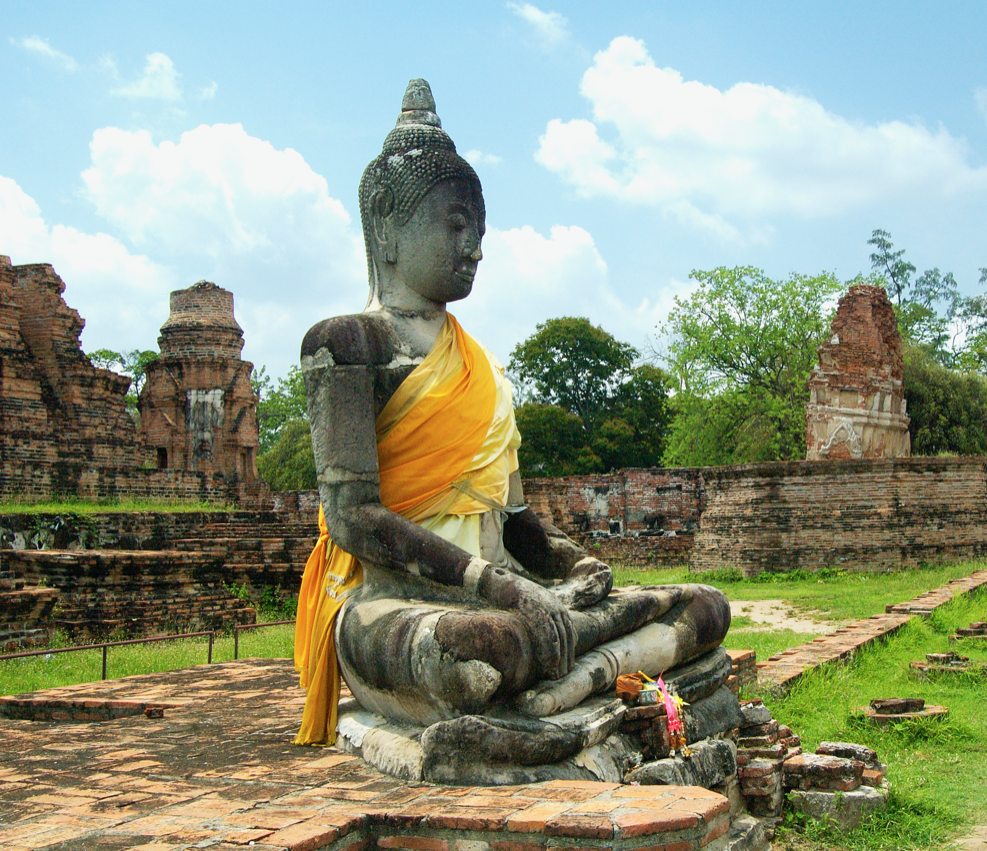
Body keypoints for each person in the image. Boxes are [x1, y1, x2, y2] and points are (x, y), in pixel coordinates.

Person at [293, 80, 729, 748]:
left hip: (518, 598)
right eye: (456, 224)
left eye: (480, 231)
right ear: (386, 223)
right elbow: (355, 519)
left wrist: (573, 564)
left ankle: (574, 685)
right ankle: (587, 676)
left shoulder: (484, 371)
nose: (474, 247)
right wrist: (494, 586)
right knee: (483, 649)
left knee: (704, 603)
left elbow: (515, 519)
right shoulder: (349, 345)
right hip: (397, 607)